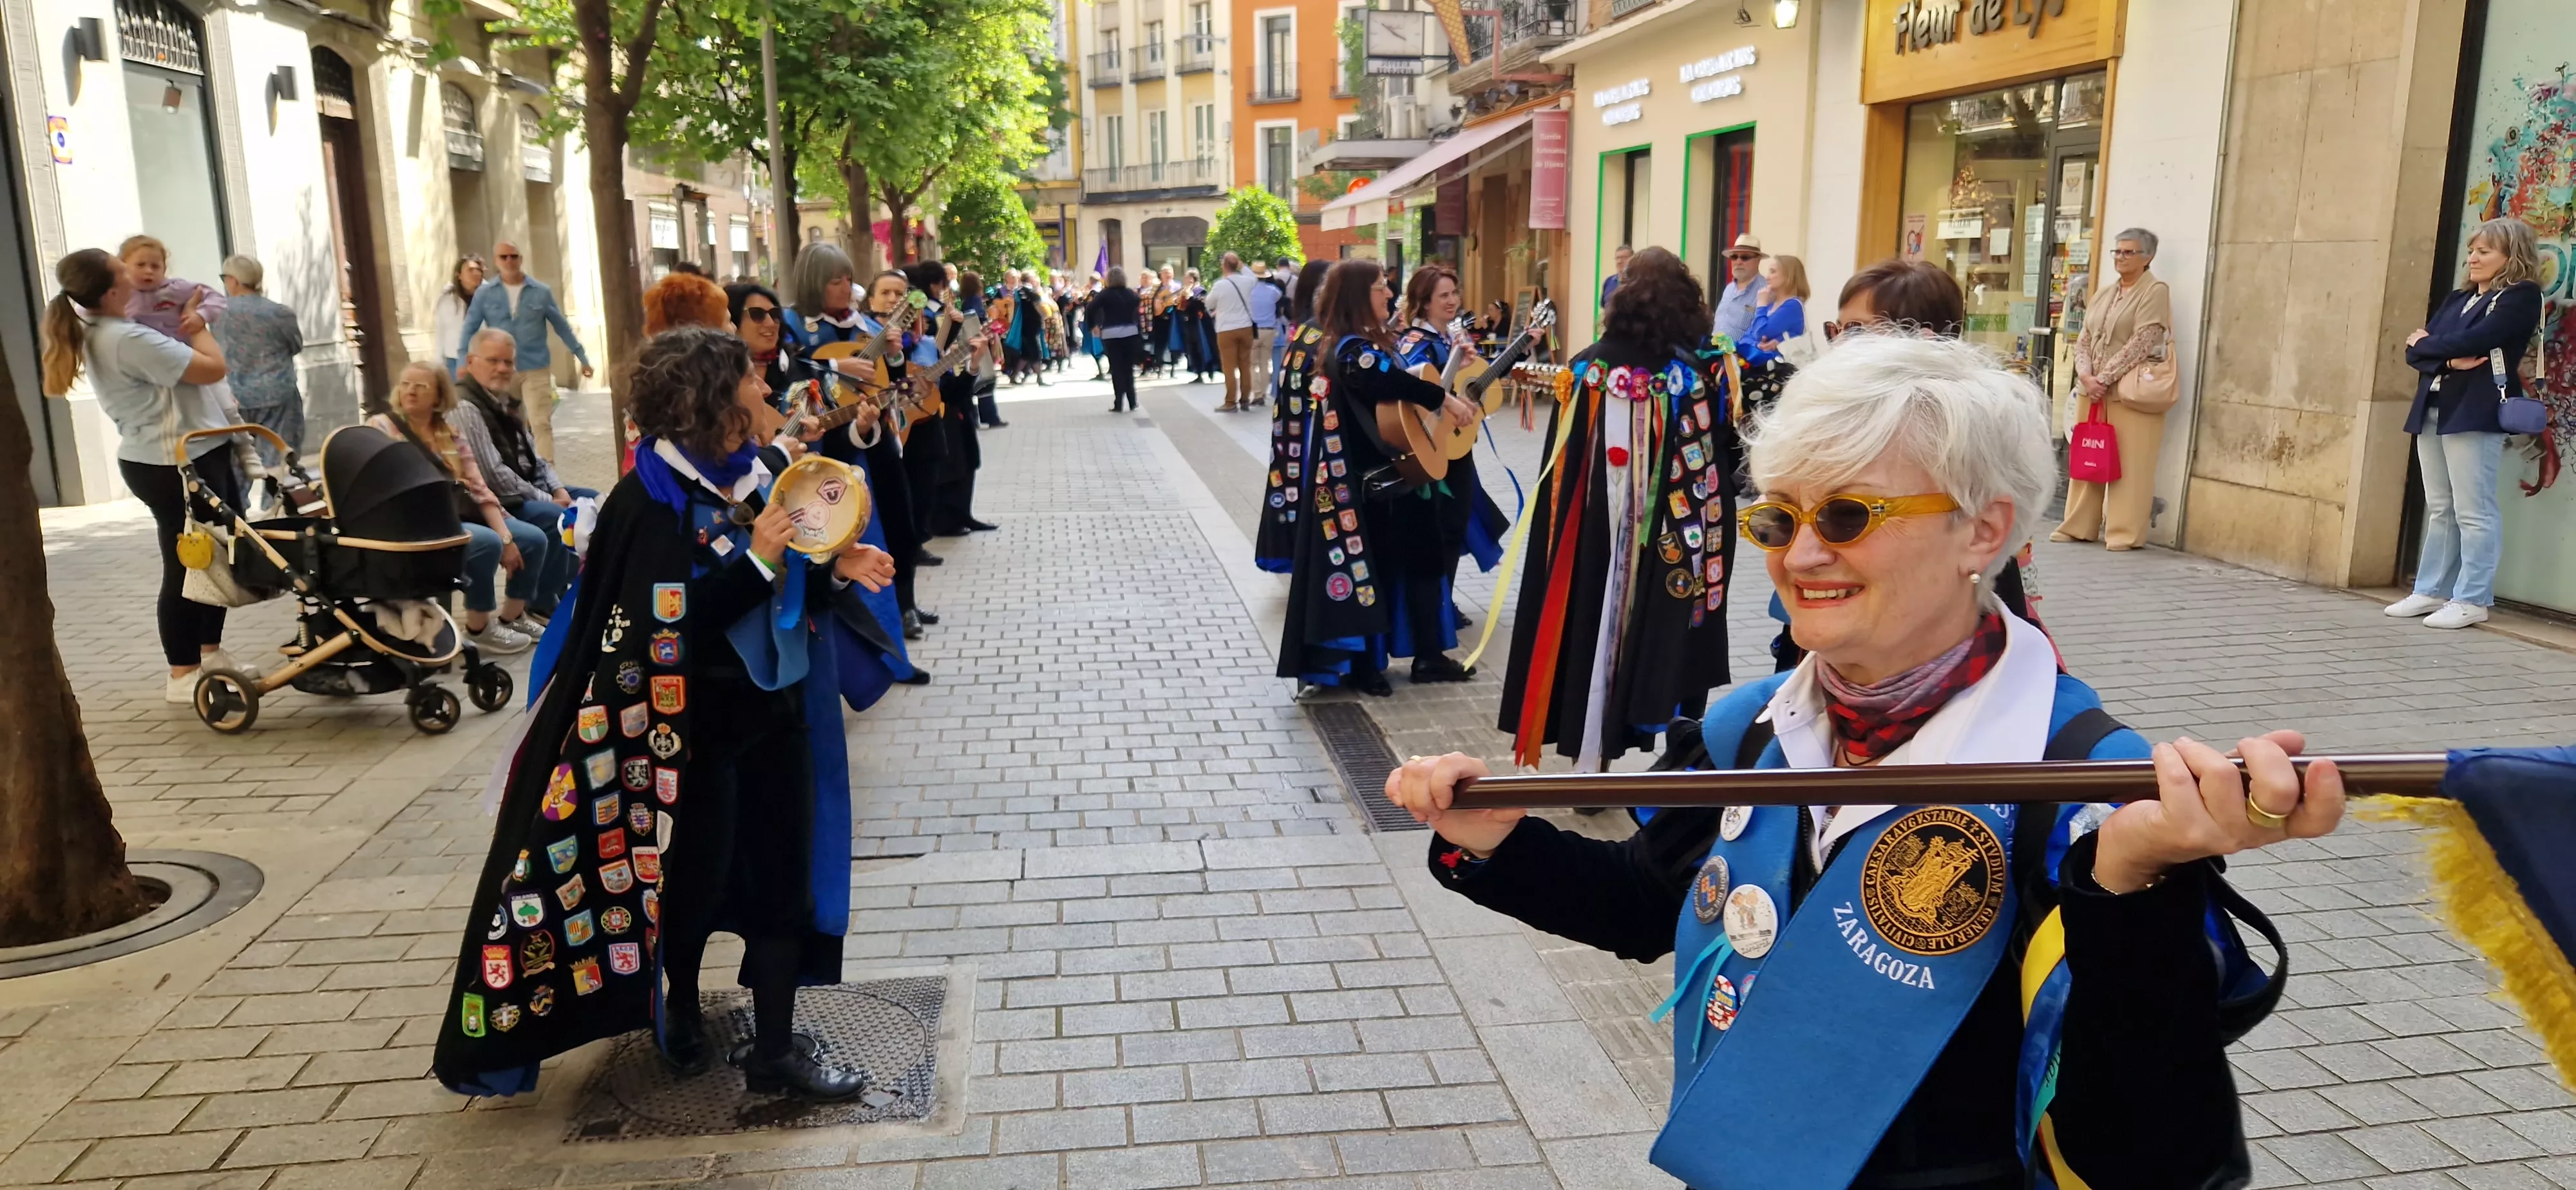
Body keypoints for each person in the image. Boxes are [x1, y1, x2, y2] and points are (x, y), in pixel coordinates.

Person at [1388, 330, 2342, 1190]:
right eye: (1776, 519)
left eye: (1846, 516)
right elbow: (1651, 903)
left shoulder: (2085, 788)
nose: (1801, 554)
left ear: (1983, 529)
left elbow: (2151, 1155)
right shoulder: (1748, 729)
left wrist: (2136, 885)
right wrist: (1495, 847)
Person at [432, 326, 900, 1104]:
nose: (763, 389)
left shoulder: (766, 473)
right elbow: (663, 625)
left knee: (785, 883)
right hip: (687, 733)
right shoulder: (647, 500)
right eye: (749, 381)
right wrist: (756, 561)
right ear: (712, 406)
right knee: (692, 883)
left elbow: (791, 582)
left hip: (775, 713)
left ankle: (776, 1050)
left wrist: (838, 571)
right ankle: (677, 1005)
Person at [1495, 247, 1736, 768]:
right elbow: (1712, 466)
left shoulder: (1586, 366)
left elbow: (1563, 467)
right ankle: (1671, 751)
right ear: (1685, 302)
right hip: (1672, 536)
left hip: (1589, 536)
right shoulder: (1691, 375)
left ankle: (1593, 759)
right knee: (1666, 629)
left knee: (1589, 619)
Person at [41, 247, 257, 701]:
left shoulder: (113, 329)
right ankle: (183, 673)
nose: (142, 277)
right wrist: (199, 323)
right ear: (114, 288)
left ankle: (209, 655)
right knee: (189, 564)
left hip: (191, 450)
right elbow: (213, 368)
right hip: (173, 462)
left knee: (215, 556)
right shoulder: (128, 339)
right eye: (125, 270)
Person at [1273, 260, 1482, 695]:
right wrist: (1444, 397)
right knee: (1377, 573)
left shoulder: (1375, 342)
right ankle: (1366, 666)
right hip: (1367, 487)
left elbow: (1401, 386)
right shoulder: (1348, 349)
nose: (1389, 294)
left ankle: (1429, 655)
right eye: (1379, 288)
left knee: (1424, 564)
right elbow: (1383, 380)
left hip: (1403, 474)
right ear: (1357, 296)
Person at [727, 279, 925, 686]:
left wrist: (861, 429)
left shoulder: (801, 368)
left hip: (814, 511)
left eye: (774, 313)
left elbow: (832, 441)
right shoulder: (721, 384)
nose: (770, 323)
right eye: (756, 314)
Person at [2386, 216, 2547, 630]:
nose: (2473, 258)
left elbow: (2473, 340)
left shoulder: (2522, 296)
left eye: (2485, 251)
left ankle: (2473, 598)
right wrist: (2446, 358)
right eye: (2472, 250)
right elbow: (2413, 352)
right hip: (2434, 407)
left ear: (2511, 256)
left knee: (2474, 509)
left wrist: (2432, 348)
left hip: (2475, 409)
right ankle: (2431, 589)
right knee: (2441, 506)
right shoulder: (2457, 299)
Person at [783, 248, 943, 638]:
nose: (844, 289)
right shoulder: (791, 325)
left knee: (898, 524)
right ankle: (856, 622)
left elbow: (891, 388)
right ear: (813, 283)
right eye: (834, 281)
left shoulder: (866, 328)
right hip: (822, 449)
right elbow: (786, 372)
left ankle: (904, 605)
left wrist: (894, 356)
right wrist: (836, 368)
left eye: (846, 279)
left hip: (875, 441)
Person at [368, 363, 549, 653]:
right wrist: (498, 539)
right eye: (405, 384)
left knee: (531, 539)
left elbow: (478, 488)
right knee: (485, 542)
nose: (410, 391)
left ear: (438, 397)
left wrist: (507, 538)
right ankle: (479, 627)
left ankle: (514, 617)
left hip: (458, 511)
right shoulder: (381, 427)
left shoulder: (450, 433)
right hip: (415, 520)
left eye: (420, 386)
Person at [1392, 264, 1511, 637]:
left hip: (1457, 451)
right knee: (1440, 530)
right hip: (1432, 450)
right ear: (1423, 302)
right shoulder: (1414, 343)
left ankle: (1442, 604)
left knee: (1454, 529)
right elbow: (1417, 396)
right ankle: (1434, 611)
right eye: (1443, 295)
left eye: (1454, 294)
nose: (1452, 300)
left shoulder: (1449, 339)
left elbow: (1468, 388)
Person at [451, 329, 595, 616]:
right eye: (493, 361)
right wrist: (547, 499)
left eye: (508, 362)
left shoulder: (505, 399)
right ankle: (541, 602)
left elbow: (535, 456)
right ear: (470, 361)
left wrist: (558, 489)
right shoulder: (465, 406)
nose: (502, 368)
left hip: (524, 487)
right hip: (493, 500)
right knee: (557, 517)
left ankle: (567, 587)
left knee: (591, 501)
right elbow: (493, 474)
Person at [2052, 229, 2176, 554]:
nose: (2120, 258)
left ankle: (2123, 533)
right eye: (2117, 252)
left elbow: (2142, 342)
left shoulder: (2155, 291)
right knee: (2087, 455)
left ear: (2147, 257)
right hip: (2094, 390)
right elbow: (2084, 337)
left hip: (2129, 394)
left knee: (2131, 465)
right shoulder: (2105, 293)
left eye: (2129, 252)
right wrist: (2086, 375)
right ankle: (2078, 526)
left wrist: (2102, 379)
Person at [457, 240, 594, 460]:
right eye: (504, 257)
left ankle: (548, 473)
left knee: (541, 422)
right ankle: (516, 469)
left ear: (521, 259)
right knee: (505, 422)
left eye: (514, 256)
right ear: (496, 261)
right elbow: (469, 328)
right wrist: (462, 363)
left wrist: (582, 357)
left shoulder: (541, 292)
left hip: (535, 367)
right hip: (500, 369)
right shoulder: (485, 294)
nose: (509, 261)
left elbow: (561, 326)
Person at [902, 261, 997, 538]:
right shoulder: (928, 317)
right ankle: (945, 519)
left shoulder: (941, 313)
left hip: (953, 388)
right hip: (933, 398)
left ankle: (962, 514)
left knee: (967, 453)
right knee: (951, 458)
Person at [213, 254, 306, 471]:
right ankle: (277, 502)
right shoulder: (279, 313)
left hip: (234, 396)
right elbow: (296, 346)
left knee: (239, 462)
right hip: (277, 393)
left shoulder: (216, 314)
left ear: (233, 281)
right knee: (280, 456)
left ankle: (237, 504)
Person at [1737, 252, 1811, 417]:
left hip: (1779, 377)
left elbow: (1760, 332)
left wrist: (1761, 304)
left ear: (1788, 275)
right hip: (1764, 374)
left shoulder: (1792, 305)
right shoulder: (1773, 306)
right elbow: (1748, 337)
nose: (1768, 277)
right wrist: (1758, 343)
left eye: (1773, 271)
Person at [1209, 253, 1267, 412]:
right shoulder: (1248, 282)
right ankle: (1245, 400)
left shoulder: (1220, 285)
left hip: (1226, 329)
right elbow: (1252, 275)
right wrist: (1241, 265)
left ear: (1224, 266)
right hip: (1246, 328)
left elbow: (1209, 303)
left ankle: (1230, 402)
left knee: (1229, 367)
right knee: (1245, 365)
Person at [1094, 267, 1144, 412]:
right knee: (1128, 369)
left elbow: (1091, 308)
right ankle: (1133, 401)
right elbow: (1138, 308)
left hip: (1111, 335)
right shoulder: (1132, 295)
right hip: (1130, 333)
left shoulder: (1104, 295)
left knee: (1116, 369)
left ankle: (1119, 403)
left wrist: (1095, 325)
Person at [434, 256, 485, 379]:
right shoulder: (448, 301)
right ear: (459, 275)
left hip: (483, 358)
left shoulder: (489, 297)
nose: (476, 273)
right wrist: (438, 362)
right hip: (455, 359)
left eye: (478, 270)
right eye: (470, 270)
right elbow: (441, 331)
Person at [1713, 234, 1768, 346]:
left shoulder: (1766, 291)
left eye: (1745, 257)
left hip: (1741, 360)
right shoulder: (1729, 288)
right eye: (1734, 257)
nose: (1738, 262)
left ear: (1758, 260)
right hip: (1713, 355)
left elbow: (1764, 332)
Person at [1600, 244, 1633, 309]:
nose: (1619, 261)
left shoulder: (1637, 282)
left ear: (1633, 259)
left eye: (1624, 258)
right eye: (1617, 258)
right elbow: (1604, 306)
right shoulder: (1608, 282)